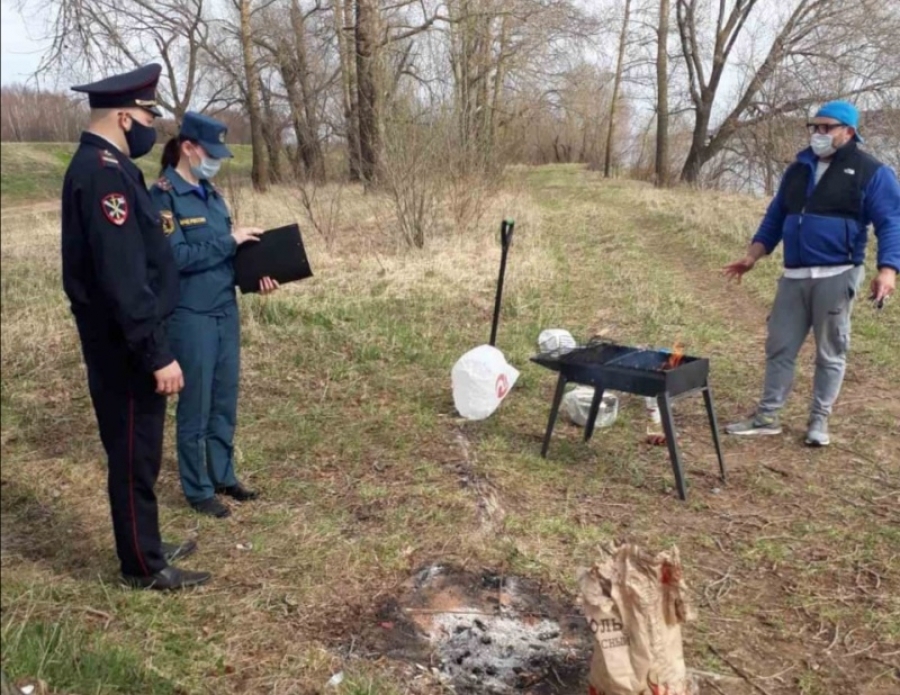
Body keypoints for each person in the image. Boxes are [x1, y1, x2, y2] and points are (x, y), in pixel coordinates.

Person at [62, 64, 211, 590]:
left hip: (130, 340)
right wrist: (156, 352)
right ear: (125, 116)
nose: (153, 124)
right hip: (125, 348)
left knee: (142, 451)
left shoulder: (110, 167)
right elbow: (123, 279)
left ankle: (145, 543)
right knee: (132, 454)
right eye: (149, 113)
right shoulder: (103, 175)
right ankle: (143, 567)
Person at [723, 100, 900, 446]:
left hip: (838, 273)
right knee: (779, 345)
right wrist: (752, 255)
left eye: (826, 128)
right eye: (814, 127)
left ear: (848, 132)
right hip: (794, 275)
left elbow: (891, 222)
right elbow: (776, 216)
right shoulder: (799, 168)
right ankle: (767, 416)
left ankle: (819, 422)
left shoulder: (870, 171)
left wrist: (888, 271)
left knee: (830, 350)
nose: (818, 134)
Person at [149, 111, 278, 518]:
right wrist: (228, 242)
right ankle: (198, 488)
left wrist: (256, 272)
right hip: (191, 315)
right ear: (188, 148)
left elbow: (227, 254)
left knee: (224, 399)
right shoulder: (163, 196)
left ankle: (223, 474)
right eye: (211, 152)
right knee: (197, 404)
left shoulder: (211, 192)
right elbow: (176, 257)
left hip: (225, 308)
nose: (215, 161)